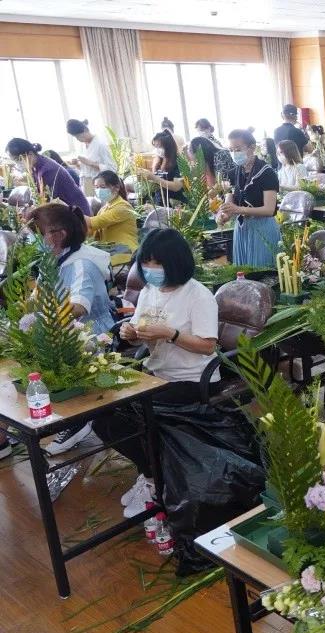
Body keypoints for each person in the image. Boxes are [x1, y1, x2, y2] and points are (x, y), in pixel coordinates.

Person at [104, 228, 221, 516]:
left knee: (133, 415)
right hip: (155, 374)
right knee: (103, 415)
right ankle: (150, 472)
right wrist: (131, 333)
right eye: (146, 263)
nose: (151, 270)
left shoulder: (199, 295)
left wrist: (171, 334)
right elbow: (143, 333)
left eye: (158, 264)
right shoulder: (149, 291)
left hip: (192, 379)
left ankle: (154, 479)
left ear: (176, 262)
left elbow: (208, 347)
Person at [27, 202, 114, 335]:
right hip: (60, 334)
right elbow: (37, 298)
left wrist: (45, 318)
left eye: (38, 235)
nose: (33, 240)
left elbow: (79, 307)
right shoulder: (51, 260)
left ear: (60, 235)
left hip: (91, 338)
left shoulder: (82, 263)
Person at [223, 129, 280, 268]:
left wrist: (238, 209)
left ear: (252, 147)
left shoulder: (266, 172)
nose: (234, 153)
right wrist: (223, 214)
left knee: (261, 272)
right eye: (231, 150)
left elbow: (269, 209)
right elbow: (229, 203)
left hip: (262, 228)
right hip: (242, 228)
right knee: (243, 274)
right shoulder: (233, 172)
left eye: (238, 149)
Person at [4, 138, 90, 215]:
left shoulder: (48, 170)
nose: (17, 164)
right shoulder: (36, 166)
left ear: (29, 154)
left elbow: (48, 200)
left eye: (17, 160)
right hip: (65, 211)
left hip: (77, 214)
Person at [89, 170, 139, 263]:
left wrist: (71, 214)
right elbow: (91, 231)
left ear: (116, 188)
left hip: (124, 258)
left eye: (103, 187)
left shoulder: (123, 207)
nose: (99, 190)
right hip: (110, 255)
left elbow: (94, 222)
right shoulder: (103, 209)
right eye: (96, 187)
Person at [65, 119, 116, 195]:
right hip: (86, 185)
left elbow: (112, 168)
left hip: (99, 185)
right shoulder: (82, 146)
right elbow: (85, 170)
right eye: (76, 137)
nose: (78, 139)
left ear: (85, 130)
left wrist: (90, 163)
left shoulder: (100, 144)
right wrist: (77, 164)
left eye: (79, 136)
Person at [136, 130, 186, 207]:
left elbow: (177, 186)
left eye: (159, 147)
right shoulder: (159, 160)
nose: (157, 150)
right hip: (160, 199)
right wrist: (145, 178)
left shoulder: (178, 161)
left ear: (168, 147)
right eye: (156, 147)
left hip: (175, 202)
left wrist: (154, 178)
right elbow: (157, 180)